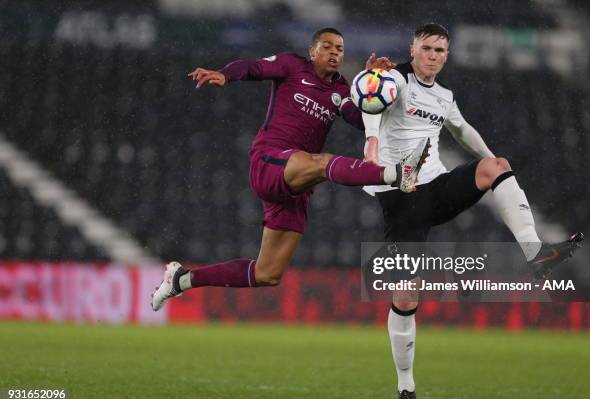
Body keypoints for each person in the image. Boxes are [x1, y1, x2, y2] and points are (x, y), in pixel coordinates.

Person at [361, 23, 583, 399]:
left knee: (496, 166)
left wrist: (492, 161)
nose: (433, 56)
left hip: (436, 188)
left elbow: (462, 130)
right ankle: (406, 386)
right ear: (413, 50)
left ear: (447, 56)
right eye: (427, 48)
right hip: (402, 196)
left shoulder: (444, 96)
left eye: (440, 51)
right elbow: (368, 103)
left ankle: (535, 252)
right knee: (407, 294)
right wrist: (372, 140)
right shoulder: (393, 78)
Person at [151, 28, 429, 311]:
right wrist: (226, 74)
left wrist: (370, 85)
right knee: (321, 162)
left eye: (340, 49)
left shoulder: (341, 90)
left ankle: (181, 280)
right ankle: (396, 174)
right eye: (328, 47)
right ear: (313, 51)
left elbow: (360, 119)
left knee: (267, 274)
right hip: (269, 161)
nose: (335, 53)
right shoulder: (292, 65)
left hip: (295, 186)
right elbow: (254, 67)